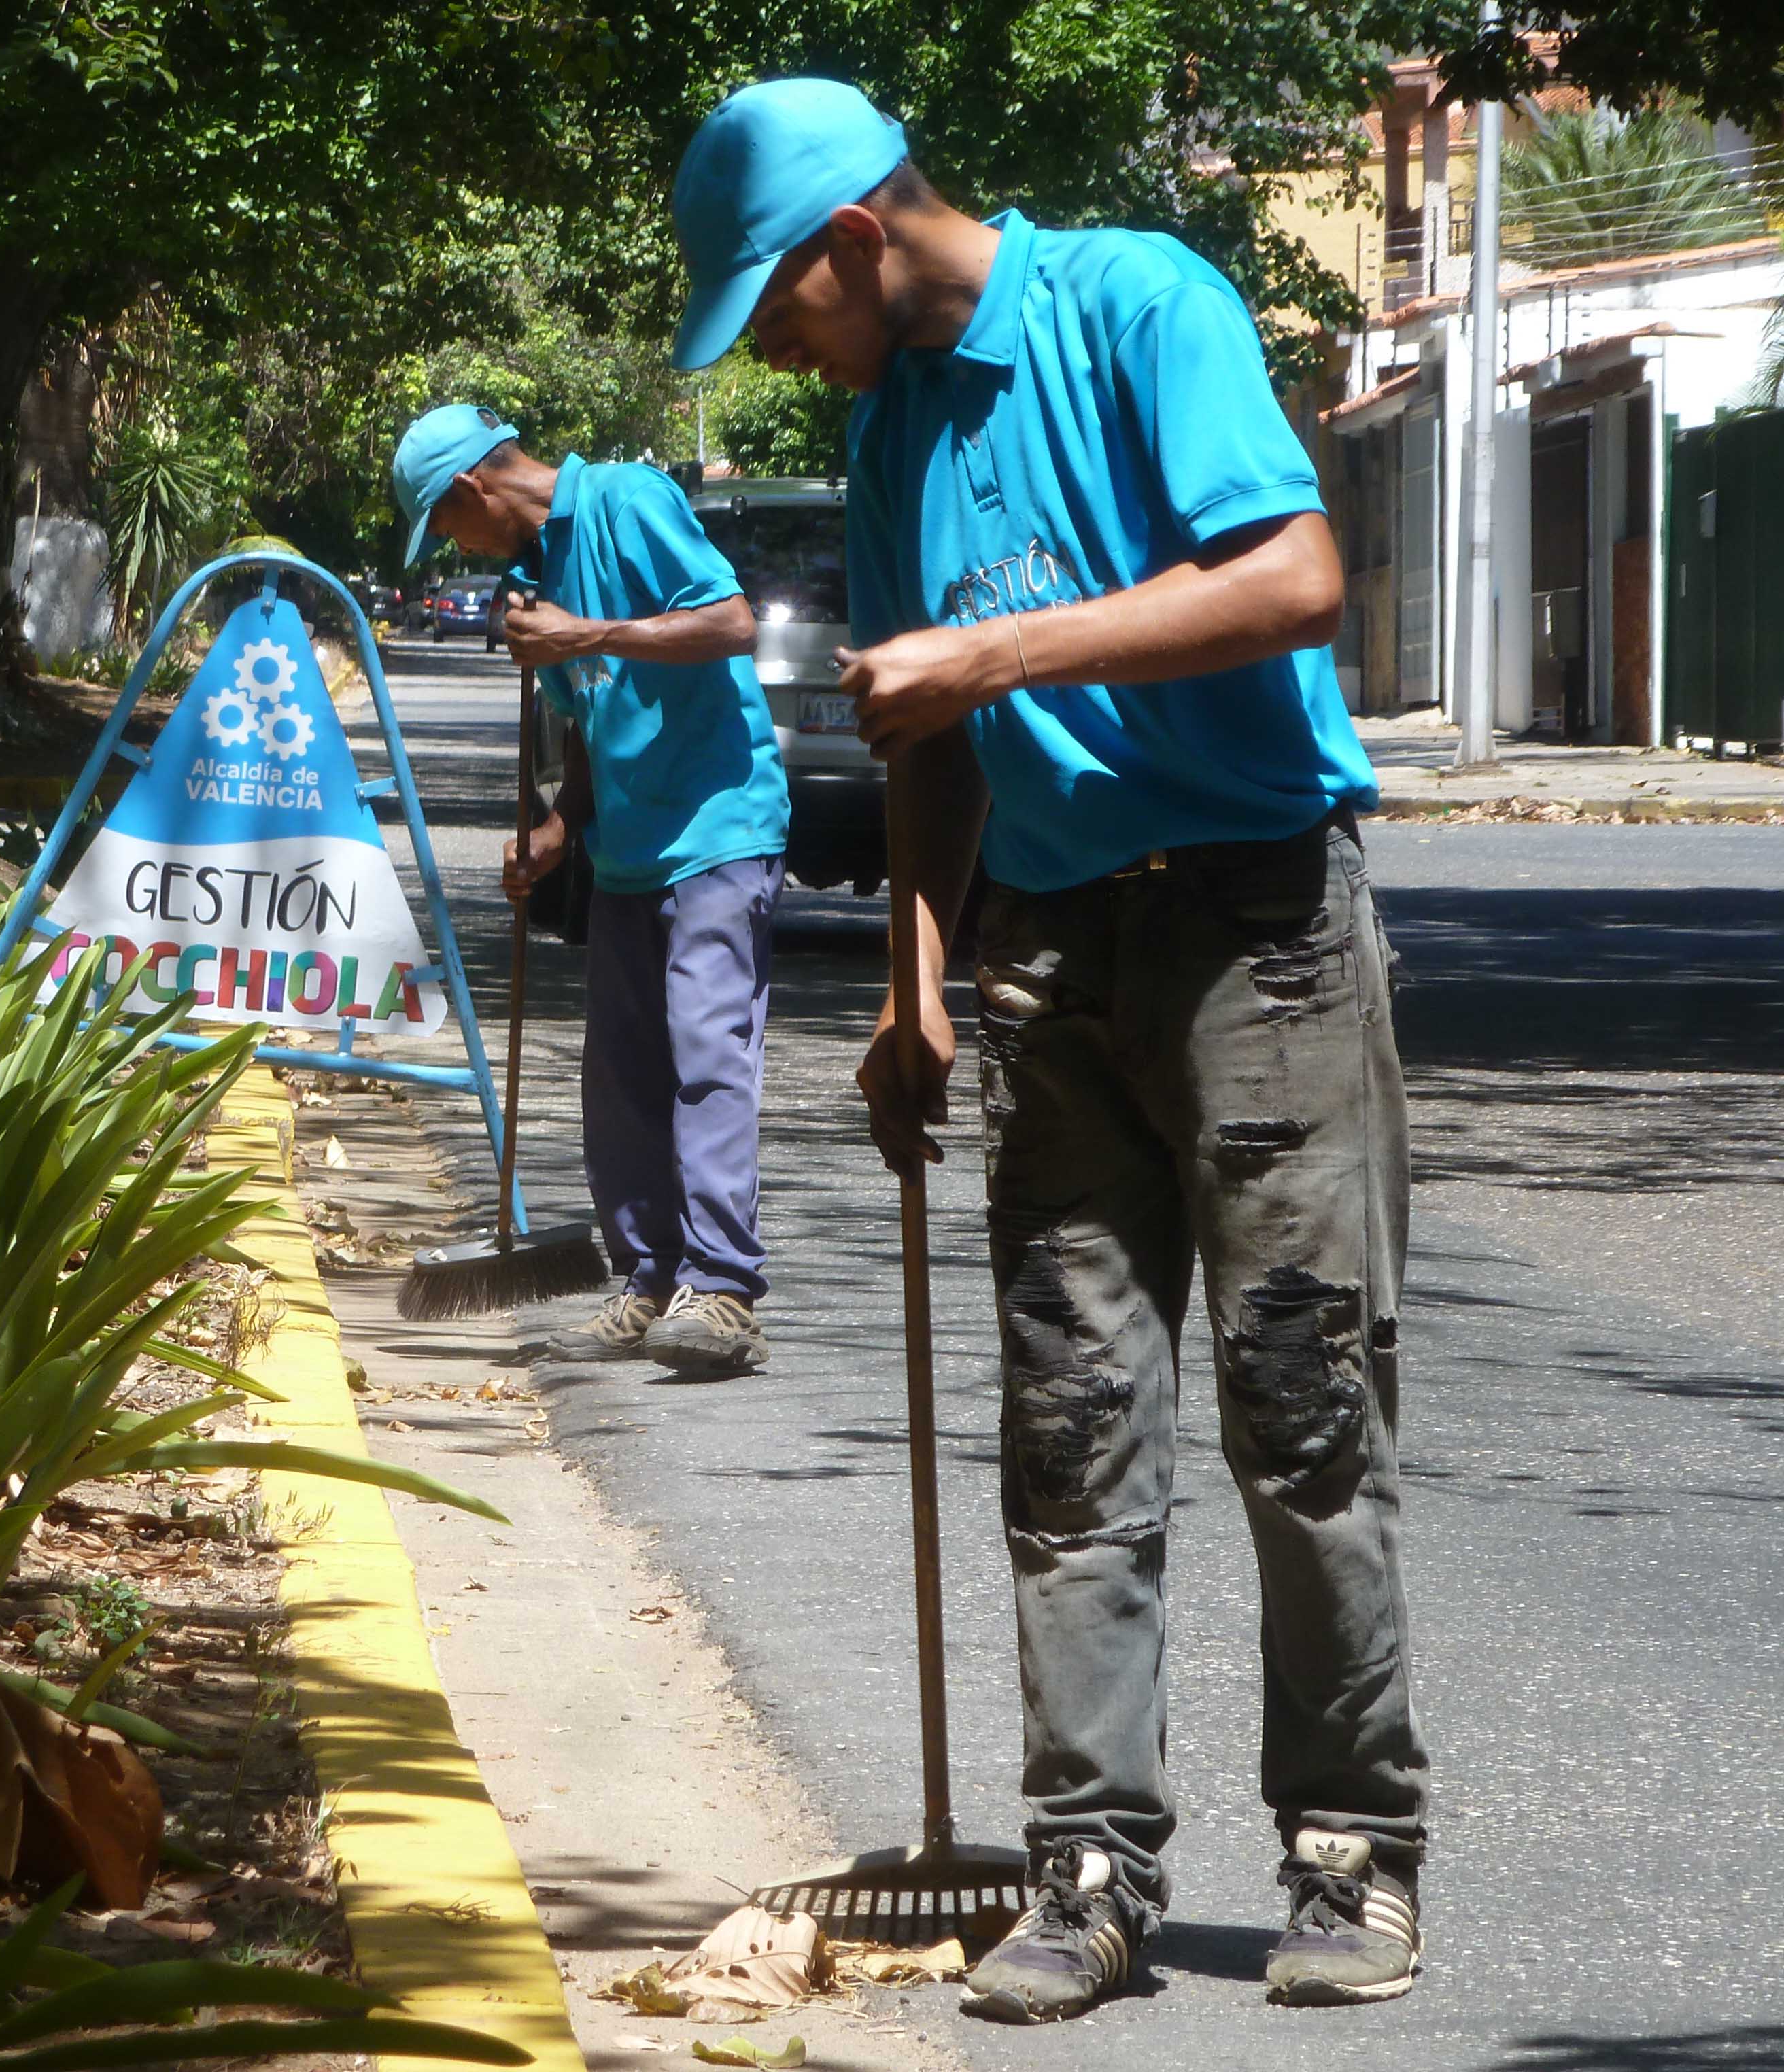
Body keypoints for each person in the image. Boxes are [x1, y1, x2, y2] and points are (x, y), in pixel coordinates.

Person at [666, 80, 1428, 2022]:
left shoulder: (1139, 303)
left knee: (1301, 1405)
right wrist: (915, 975)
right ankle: (1088, 1874)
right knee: (1073, 1429)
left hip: (1257, 926)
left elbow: (1294, 581)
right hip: (1048, 949)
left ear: (852, 236)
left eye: (775, 304)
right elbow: (924, 746)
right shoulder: (891, 432)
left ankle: (1351, 1853)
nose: (773, 346)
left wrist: (993, 657)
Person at [389, 404, 789, 1377]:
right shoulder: (530, 581)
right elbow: (588, 719)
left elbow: (731, 622)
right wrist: (559, 830)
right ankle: (649, 1278)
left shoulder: (629, 498)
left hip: (718, 826)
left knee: (705, 1050)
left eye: (445, 529)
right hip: (627, 847)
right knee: (619, 1076)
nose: (456, 550)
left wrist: (590, 629)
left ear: (471, 490)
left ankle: (724, 1289)